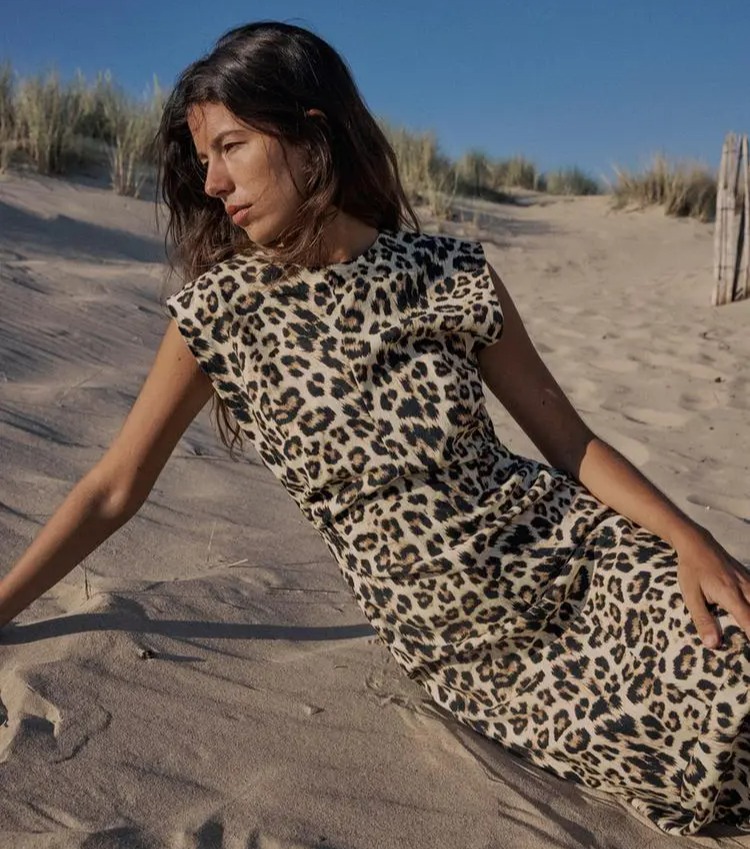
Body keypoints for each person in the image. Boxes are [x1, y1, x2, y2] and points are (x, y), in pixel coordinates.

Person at [1, 19, 750, 838]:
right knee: (714, 748)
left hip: (584, 560)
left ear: (310, 137)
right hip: (478, 651)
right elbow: (114, 488)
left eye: (233, 146)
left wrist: (687, 536)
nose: (211, 181)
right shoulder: (217, 314)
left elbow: (568, 442)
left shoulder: (449, 273)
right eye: (202, 158)